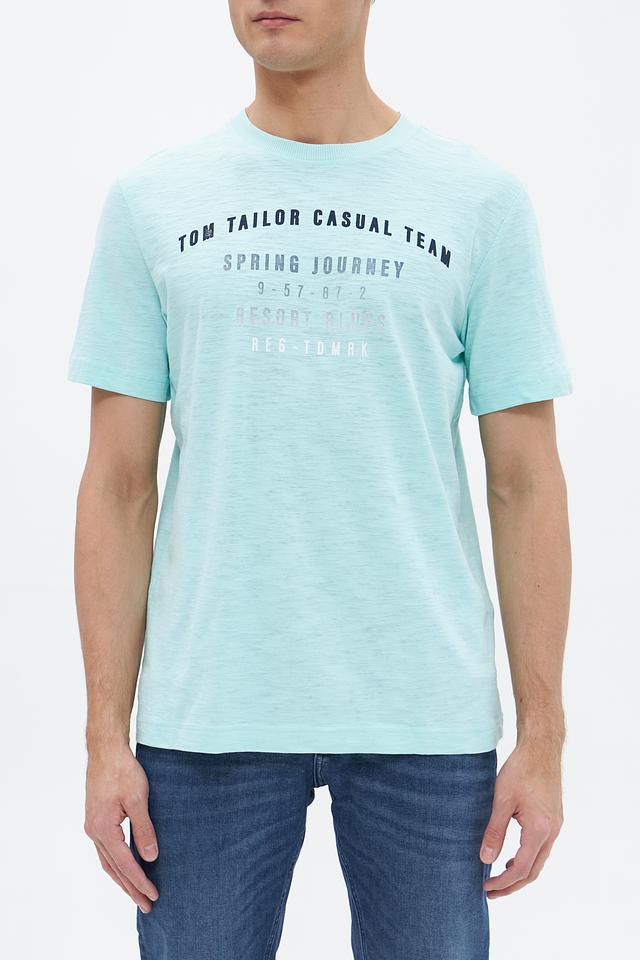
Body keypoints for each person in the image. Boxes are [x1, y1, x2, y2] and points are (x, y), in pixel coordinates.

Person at [67, 2, 572, 958]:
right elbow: (119, 484)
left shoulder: (478, 202)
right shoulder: (153, 201)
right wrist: (102, 737)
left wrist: (543, 736)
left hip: (425, 716)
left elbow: (527, 484)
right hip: (207, 717)